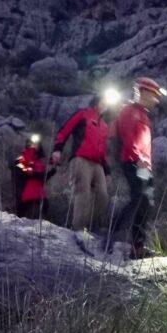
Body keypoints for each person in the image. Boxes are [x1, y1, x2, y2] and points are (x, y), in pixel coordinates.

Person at [109, 77, 166, 259]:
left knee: (145, 203)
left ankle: (137, 246)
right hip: (133, 162)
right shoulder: (129, 111)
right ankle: (113, 234)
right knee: (139, 200)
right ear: (143, 92)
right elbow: (128, 139)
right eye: (154, 94)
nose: (157, 99)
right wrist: (138, 158)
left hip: (143, 164)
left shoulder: (143, 114)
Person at [51, 96, 111, 232]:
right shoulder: (83, 114)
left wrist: (107, 171)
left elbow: (103, 151)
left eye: (107, 103)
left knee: (102, 196)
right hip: (80, 159)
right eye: (103, 101)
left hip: (98, 164)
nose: (105, 105)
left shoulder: (104, 126)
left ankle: (92, 228)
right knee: (83, 192)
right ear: (96, 102)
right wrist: (57, 149)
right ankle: (79, 230)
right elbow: (65, 130)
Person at [14, 134, 56, 219]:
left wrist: (51, 172)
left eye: (36, 143)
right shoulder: (21, 158)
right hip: (25, 195)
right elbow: (27, 173)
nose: (34, 145)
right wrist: (38, 173)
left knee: (43, 214)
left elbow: (42, 179)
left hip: (39, 195)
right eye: (32, 143)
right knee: (23, 218)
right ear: (28, 144)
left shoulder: (40, 161)